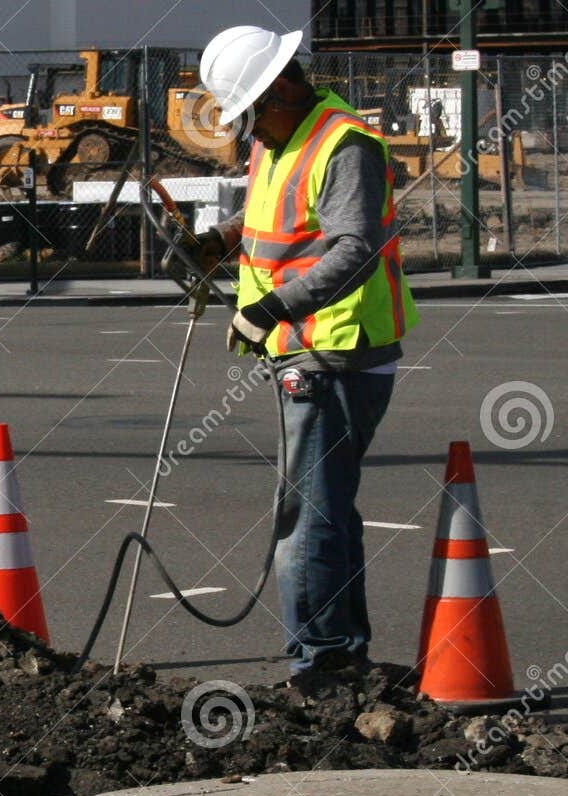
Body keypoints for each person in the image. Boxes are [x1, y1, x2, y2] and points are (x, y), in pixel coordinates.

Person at [195, 27, 418, 686]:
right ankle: (343, 655)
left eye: (252, 114)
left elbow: (355, 248)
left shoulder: (344, 144)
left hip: (339, 349)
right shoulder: (282, 139)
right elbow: (274, 222)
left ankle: (320, 664)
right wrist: (219, 240)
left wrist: (269, 310)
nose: (249, 133)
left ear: (282, 90)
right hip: (306, 348)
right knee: (329, 509)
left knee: (307, 516)